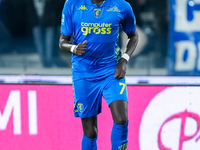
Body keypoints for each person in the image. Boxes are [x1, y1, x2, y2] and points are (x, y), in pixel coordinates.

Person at [59, 0, 138, 149]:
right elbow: (63, 42)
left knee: (121, 119)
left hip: (111, 70)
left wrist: (124, 59)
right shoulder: (72, 4)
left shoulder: (121, 6)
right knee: (90, 131)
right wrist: (74, 48)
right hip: (83, 73)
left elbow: (133, 36)